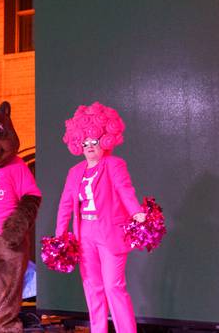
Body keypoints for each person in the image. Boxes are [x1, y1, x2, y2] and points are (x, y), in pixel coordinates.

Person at [55, 102, 146, 333]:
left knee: (114, 287)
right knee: (92, 287)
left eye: (94, 142)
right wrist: (60, 235)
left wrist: (136, 212)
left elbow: (125, 190)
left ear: (105, 140)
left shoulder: (114, 164)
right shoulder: (74, 172)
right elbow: (65, 204)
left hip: (110, 233)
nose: (89, 147)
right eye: (84, 143)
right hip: (84, 233)